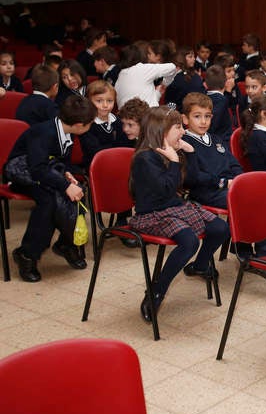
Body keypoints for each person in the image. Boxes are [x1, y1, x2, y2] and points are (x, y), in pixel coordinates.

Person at [128, 106, 229, 322]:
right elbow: (164, 189)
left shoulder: (171, 151)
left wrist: (189, 154)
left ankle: (200, 266)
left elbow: (189, 180)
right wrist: (174, 161)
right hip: (152, 214)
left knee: (220, 228)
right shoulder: (144, 159)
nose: (183, 132)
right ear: (161, 131)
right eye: (178, 128)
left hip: (174, 207)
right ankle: (157, 292)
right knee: (189, 241)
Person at [5, 96, 96, 282]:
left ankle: (66, 244)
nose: (90, 126)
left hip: (45, 172)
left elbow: (60, 161)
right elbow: (37, 169)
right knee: (50, 200)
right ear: (79, 125)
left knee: (78, 192)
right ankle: (27, 254)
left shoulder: (68, 130)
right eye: (89, 124)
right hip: (23, 174)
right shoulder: (43, 132)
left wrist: (67, 175)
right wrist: (64, 185)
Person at [181, 93, 243, 208]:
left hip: (229, 186)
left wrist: (238, 179)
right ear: (185, 119)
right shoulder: (184, 143)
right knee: (243, 199)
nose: (203, 121)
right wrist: (224, 183)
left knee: (256, 193)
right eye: (197, 116)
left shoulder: (215, 139)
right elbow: (195, 176)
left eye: (207, 116)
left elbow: (233, 163)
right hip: (206, 192)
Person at [79, 80, 134, 168]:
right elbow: (95, 151)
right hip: (96, 167)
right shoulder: (86, 125)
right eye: (99, 101)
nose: (105, 105)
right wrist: (117, 148)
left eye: (109, 101)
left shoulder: (118, 121)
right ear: (89, 102)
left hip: (119, 163)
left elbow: (126, 145)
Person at [115, 43, 179, 107]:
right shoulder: (143, 69)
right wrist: (165, 83)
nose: (147, 56)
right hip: (148, 114)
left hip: (128, 115)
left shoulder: (120, 75)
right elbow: (172, 67)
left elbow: (145, 98)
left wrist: (158, 92)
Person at [164, 46, 205, 111]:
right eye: (190, 57)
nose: (194, 59)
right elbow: (171, 101)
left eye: (194, 56)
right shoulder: (175, 77)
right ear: (181, 58)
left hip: (197, 111)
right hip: (185, 114)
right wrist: (173, 114)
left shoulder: (195, 76)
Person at [204, 64, 235, 145]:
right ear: (225, 82)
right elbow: (213, 123)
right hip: (222, 142)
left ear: (206, 84)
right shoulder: (221, 100)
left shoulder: (204, 97)